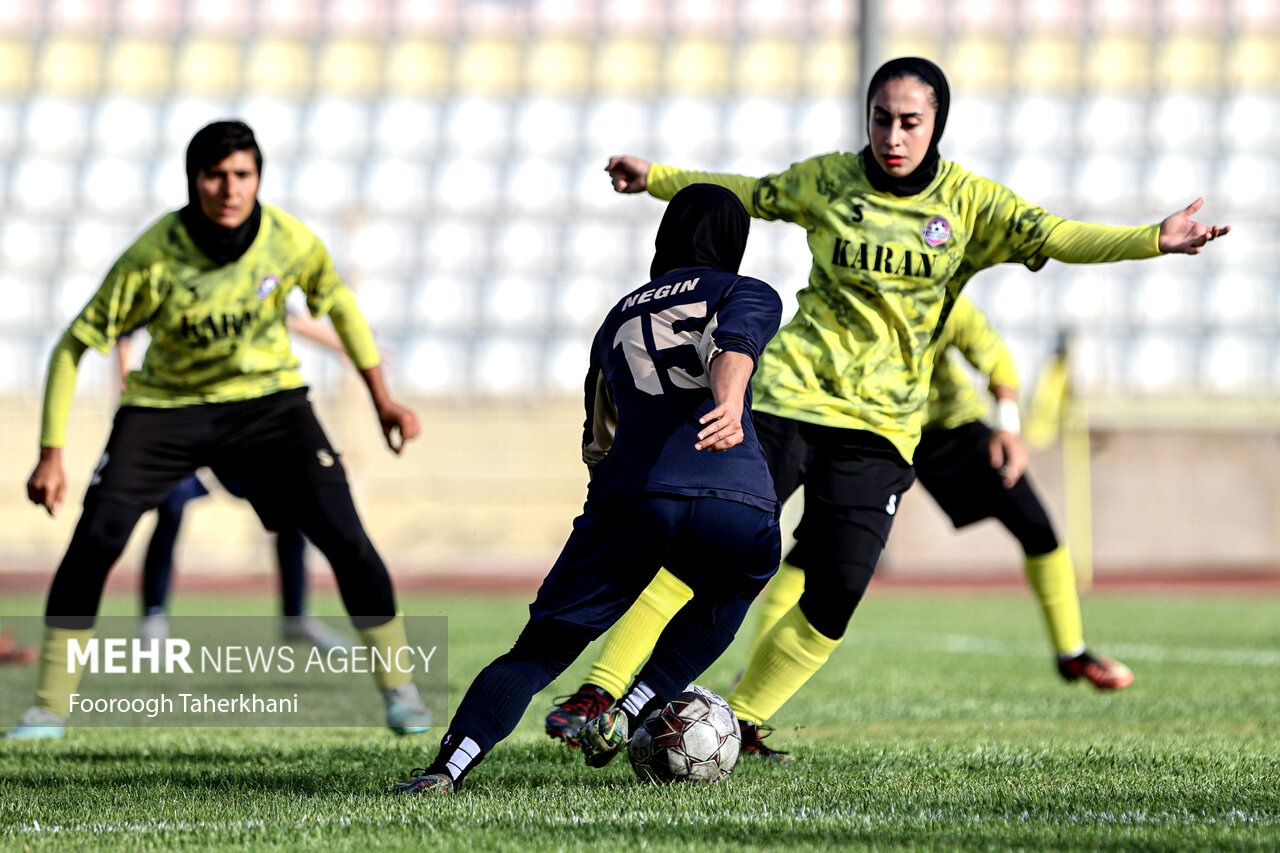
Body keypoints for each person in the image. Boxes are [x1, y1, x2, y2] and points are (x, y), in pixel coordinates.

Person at [599, 57, 1227, 751]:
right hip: (791, 396)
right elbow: (751, 191)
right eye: (881, 119)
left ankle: (739, 720)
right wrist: (655, 178)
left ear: (937, 125)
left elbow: (1054, 233)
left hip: (886, 424)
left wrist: (1151, 240)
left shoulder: (969, 205)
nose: (893, 136)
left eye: (909, 122)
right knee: (710, 541)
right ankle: (604, 694)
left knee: (835, 588)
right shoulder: (831, 180)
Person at [544, 294, 1132, 759]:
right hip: (835, 425)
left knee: (1035, 527)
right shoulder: (838, 291)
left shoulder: (939, 296)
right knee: (757, 552)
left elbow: (996, 359)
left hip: (938, 427)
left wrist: (1006, 421)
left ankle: (1072, 650)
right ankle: (632, 688)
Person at [7, 120, 431, 740]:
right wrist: (51, 454)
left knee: (345, 535)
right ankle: (47, 708)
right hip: (164, 409)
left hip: (269, 406)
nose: (230, 189)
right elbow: (72, 347)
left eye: (242, 175)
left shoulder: (289, 241)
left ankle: (400, 691)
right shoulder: (152, 256)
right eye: (215, 175)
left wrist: (384, 400)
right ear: (193, 181)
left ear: (258, 178)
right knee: (95, 540)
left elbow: (338, 305)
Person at [392, 184, 783, 794]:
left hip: (629, 496)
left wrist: (623, 501)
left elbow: (598, 442)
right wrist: (729, 402)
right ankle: (632, 710)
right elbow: (736, 343)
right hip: (731, 490)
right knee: (735, 586)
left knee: (539, 651)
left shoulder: (618, 315)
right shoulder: (745, 289)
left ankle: (447, 768)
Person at [116, 321, 350, 651]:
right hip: (178, 413)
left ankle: (295, 615)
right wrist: (129, 388)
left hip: (239, 416)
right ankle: (153, 620)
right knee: (171, 506)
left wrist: (347, 345)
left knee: (291, 509)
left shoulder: (247, 279)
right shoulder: (173, 276)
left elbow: (288, 314)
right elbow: (126, 333)